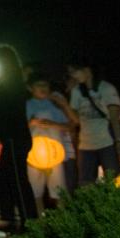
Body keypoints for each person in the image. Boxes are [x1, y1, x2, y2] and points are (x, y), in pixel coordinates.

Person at [0, 45, 38, 230]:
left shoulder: (12, 84)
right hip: (12, 137)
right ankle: (11, 216)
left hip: (15, 137)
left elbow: (10, 112)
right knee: (6, 178)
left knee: (17, 179)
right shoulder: (9, 82)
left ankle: (28, 219)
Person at [68, 60, 120, 185]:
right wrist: (63, 104)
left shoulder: (106, 88)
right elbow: (76, 120)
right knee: (85, 182)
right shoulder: (77, 91)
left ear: (87, 70)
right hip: (85, 145)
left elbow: (115, 118)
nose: (73, 75)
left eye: (75, 72)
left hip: (107, 143)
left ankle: (109, 204)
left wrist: (119, 143)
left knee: (112, 179)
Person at [26, 76, 79, 210]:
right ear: (30, 88)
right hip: (33, 153)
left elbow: (71, 126)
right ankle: (38, 221)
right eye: (39, 85)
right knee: (34, 189)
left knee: (59, 189)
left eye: (45, 85)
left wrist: (53, 124)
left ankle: (62, 221)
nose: (43, 88)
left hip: (55, 153)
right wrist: (31, 123)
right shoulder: (27, 105)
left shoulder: (55, 105)